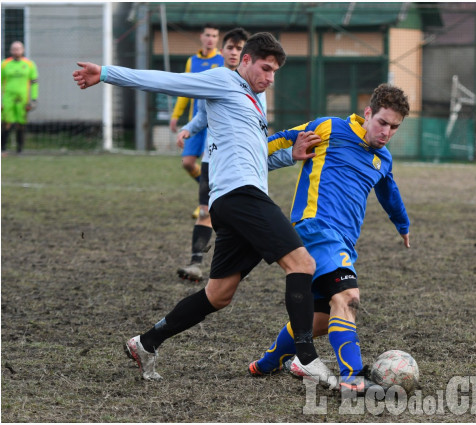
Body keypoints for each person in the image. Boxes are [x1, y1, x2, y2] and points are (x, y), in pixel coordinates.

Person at [73, 32, 332, 386]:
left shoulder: (256, 100)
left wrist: (289, 155)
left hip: (234, 199)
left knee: (218, 295)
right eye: (265, 69)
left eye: (274, 73)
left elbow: (253, 158)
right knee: (301, 263)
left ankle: (146, 342)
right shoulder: (224, 80)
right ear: (244, 61)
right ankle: (306, 357)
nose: (270, 78)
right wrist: (105, 72)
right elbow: (166, 81)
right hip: (240, 197)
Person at [249, 83, 411, 395]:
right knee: (348, 297)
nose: (386, 132)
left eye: (394, 127)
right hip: (315, 229)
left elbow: (390, 194)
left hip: (343, 242)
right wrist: (242, 160)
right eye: (382, 123)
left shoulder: (384, 158)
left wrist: (402, 224)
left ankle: (268, 362)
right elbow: (273, 141)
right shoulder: (329, 128)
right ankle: (352, 377)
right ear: (367, 113)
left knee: (321, 319)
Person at [174, 27, 249, 282]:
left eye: (239, 49)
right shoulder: (215, 76)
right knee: (205, 210)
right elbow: (203, 113)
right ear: (223, 50)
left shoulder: (254, 84)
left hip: (240, 162)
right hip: (211, 154)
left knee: (236, 213)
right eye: (230, 47)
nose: (234, 52)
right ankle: (196, 263)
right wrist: (187, 128)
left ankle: (238, 263)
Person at [170, 23, 223, 218]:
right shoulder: (192, 62)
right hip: (196, 121)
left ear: (218, 39)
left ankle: (205, 202)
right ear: (201, 37)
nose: (211, 38)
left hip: (214, 123)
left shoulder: (222, 60)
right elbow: (185, 90)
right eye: (208, 35)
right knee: (187, 163)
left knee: (208, 163)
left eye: (214, 35)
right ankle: (207, 192)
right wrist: (176, 115)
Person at [1, 41, 39, 156]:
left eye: (18, 49)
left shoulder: (29, 64)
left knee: (21, 123)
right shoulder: (4, 64)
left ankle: (20, 150)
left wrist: (34, 99)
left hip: (23, 99)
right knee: (6, 122)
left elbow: (34, 82)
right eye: (13, 49)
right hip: (8, 98)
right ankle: (2, 149)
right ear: (10, 51)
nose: (16, 51)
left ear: (23, 50)